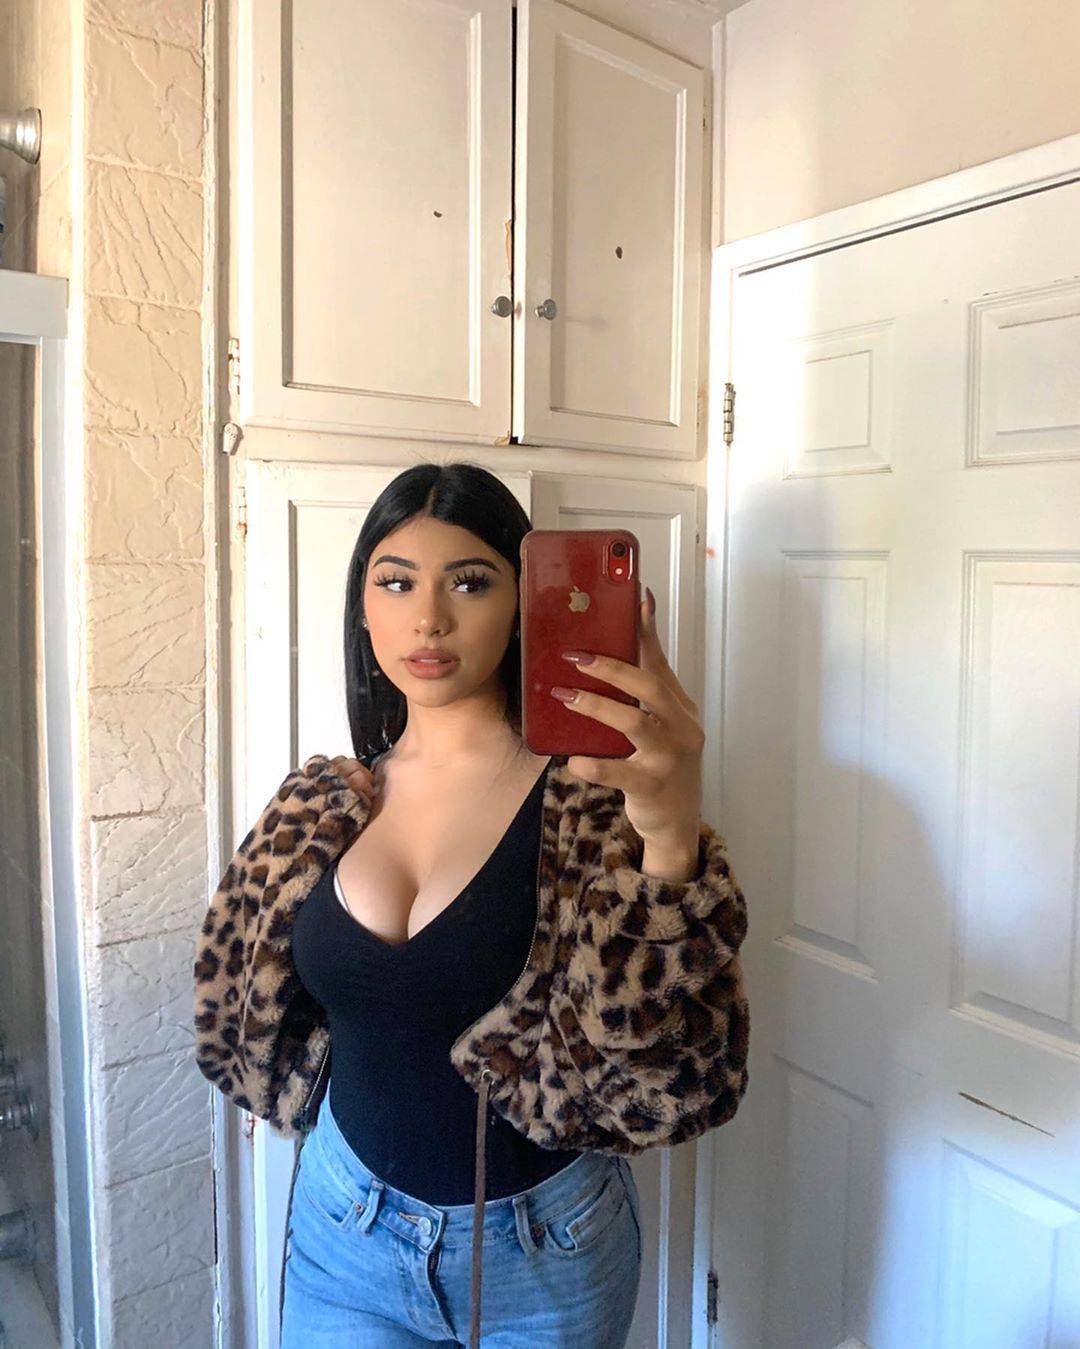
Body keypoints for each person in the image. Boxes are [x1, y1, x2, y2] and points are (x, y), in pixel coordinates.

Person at [193, 461, 750, 1347]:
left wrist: (671, 832)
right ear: (362, 606)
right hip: (345, 1230)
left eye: (470, 581)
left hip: (544, 1251)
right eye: (396, 581)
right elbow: (237, 998)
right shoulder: (321, 807)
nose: (429, 617)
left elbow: (669, 1077)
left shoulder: (593, 811)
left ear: (526, 603)